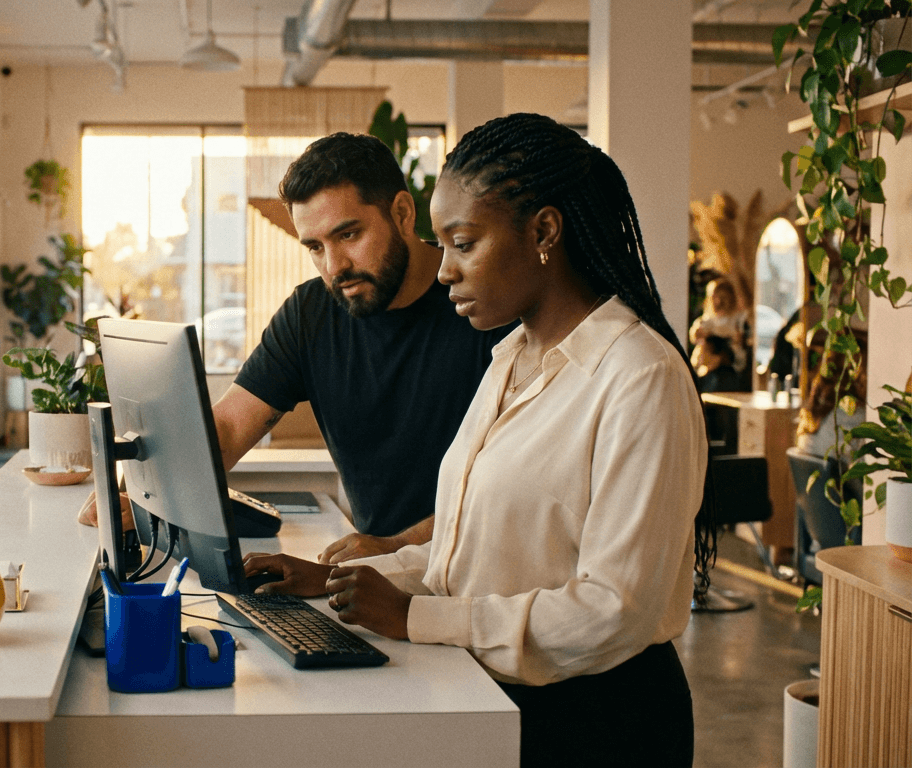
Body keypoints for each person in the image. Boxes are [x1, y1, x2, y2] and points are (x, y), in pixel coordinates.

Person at [244, 114, 714, 767]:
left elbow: (615, 610)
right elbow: (474, 555)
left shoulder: (639, 377)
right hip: (498, 703)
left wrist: (413, 617)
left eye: (463, 243)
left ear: (543, 232)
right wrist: (338, 579)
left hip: (598, 724)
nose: (444, 272)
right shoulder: (511, 358)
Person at [80, 132, 509, 563]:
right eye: (315, 247)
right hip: (377, 576)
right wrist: (144, 493)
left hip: (480, 567)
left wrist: (397, 547)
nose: (334, 266)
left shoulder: (485, 307)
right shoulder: (311, 313)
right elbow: (228, 428)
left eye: (349, 235)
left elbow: (512, 490)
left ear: (401, 212)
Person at [689, 277, 749, 374]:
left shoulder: (738, 320)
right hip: (705, 366)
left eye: (723, 297)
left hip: (729, 367)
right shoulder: (705, 320)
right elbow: (695, 338)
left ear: (731, 298)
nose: (719, 302)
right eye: (715, 297)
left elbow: (740, 346)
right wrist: (697, 334)